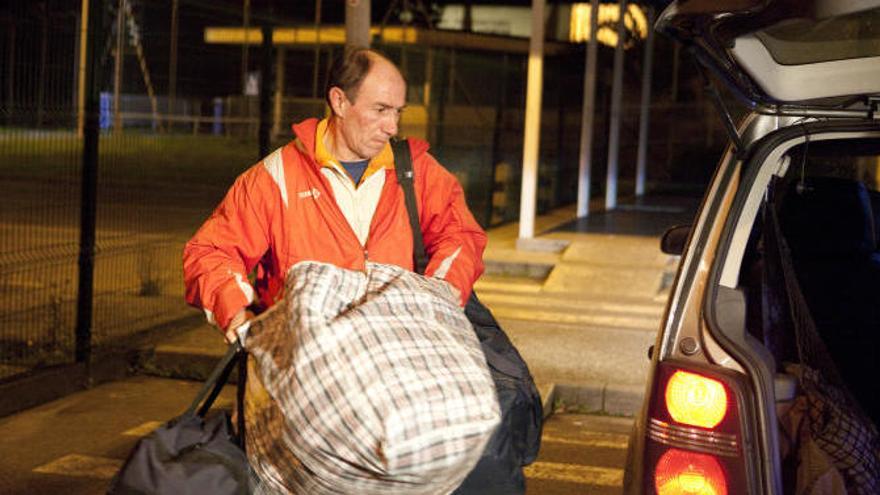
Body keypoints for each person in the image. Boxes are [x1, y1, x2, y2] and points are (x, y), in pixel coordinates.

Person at [183, 48, 487, 341]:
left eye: (397, 112)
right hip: (302, 364)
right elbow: (210, 252)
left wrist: (437, 301)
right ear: (339, 101)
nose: (392, 127)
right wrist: (238, 312)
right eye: (380, 110)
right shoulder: (275, 178)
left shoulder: (420, 172)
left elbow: (460, 236)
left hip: (394, 358)